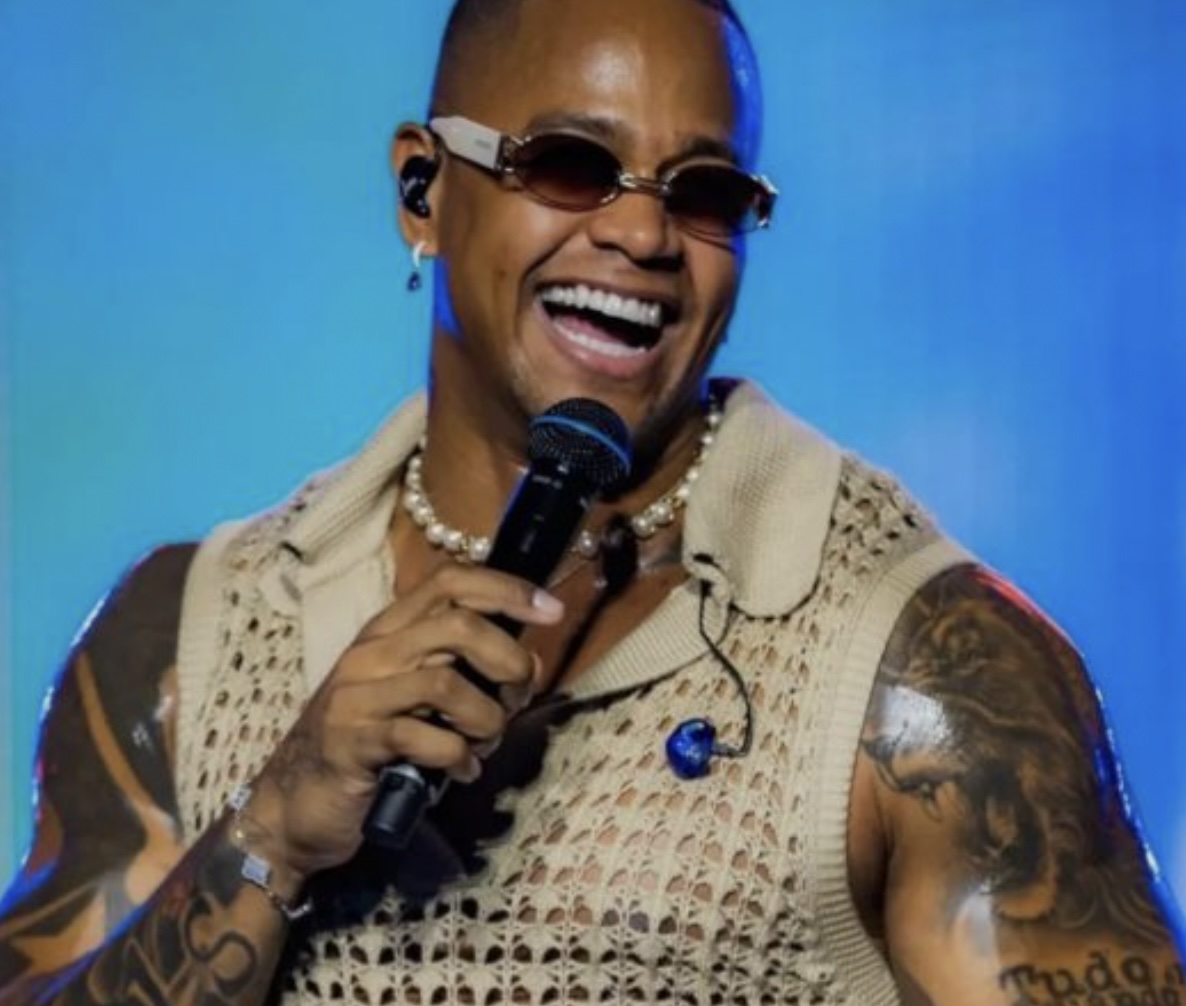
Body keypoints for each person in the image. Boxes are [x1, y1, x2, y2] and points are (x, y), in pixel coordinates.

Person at [1, 0, 1182, 1003]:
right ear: (422, 189)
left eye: (704, 191)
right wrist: (269, 829)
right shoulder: (187, 640)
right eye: (569, 164)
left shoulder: (926, 671)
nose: (641, 231)